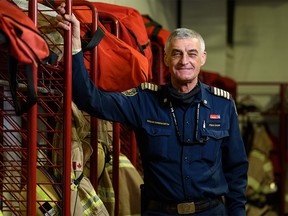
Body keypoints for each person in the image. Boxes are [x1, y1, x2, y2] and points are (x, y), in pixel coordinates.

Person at [56, 3, 248, 215]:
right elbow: (90, 100)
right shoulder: (144, 101)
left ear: (202, 58)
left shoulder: (222, 105)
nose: (184, 61)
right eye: (176, 54)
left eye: (192, 54)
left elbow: (236, 169)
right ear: (166, 58)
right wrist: (75, 44)